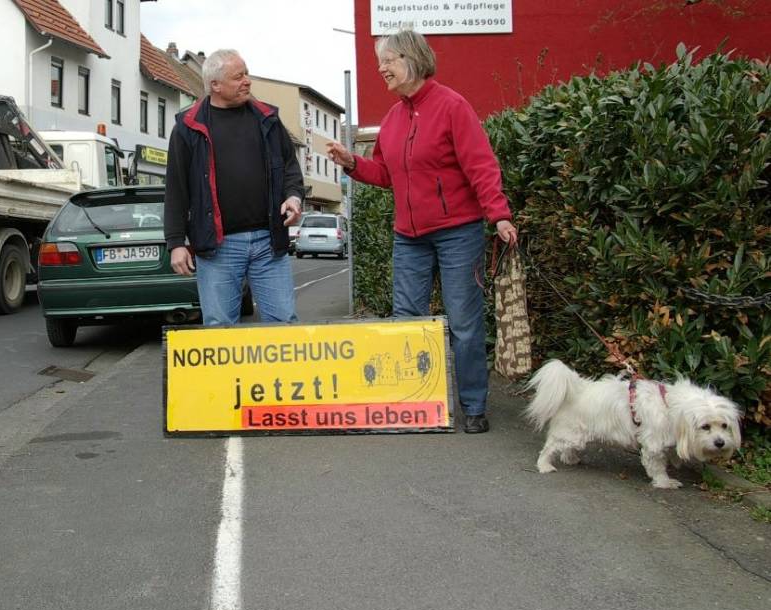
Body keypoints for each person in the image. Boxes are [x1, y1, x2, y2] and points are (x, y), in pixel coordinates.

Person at [327, 30, 518, 434]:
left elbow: (480, 165)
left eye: (389, 60)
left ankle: (473, 406)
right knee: (407, 320)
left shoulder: (452, 106)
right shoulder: (394, 118)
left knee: (464, 322)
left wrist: (498, 214)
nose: (382, 68)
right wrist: (351, 163)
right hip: (408, 236)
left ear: (412, 59)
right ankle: (413, 404)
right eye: (380, 62)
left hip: (457, 232)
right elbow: (386, 175)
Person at [164, 49, 304, 325]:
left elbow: (290, 168)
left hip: (268, 242)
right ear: (215, 85)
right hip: (218, 247)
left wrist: (293, 197)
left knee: (284, 325)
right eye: (238, 77)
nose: (247, 81)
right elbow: (176, 189)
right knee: (219, 330)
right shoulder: (188, 128)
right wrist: (176, 243)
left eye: (247, 74)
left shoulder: (268, 119)